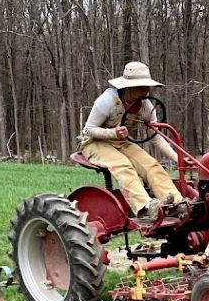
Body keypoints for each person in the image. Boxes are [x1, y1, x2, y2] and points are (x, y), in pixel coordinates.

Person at [79, 60, 186, 219]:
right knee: (123, 166)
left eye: (146, 87)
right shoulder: (107, 101)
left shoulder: (146, 106)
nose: (146, 91)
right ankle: (145, 207)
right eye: (141, 87)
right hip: (95, 143)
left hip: (121, 142)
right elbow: (88, 129)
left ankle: (176, 204)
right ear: (128, 87)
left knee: (151, 165)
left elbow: (156, 137)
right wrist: (112, 133)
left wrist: (177, 158)